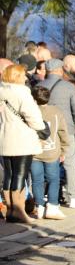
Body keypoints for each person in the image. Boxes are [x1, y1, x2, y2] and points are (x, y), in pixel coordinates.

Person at [0, 64, 47, 223]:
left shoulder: (1, 91)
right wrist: (42, 127)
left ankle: (10, 211)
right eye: (23, 75)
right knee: (20, 174)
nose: (26, 78)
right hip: (21, 138)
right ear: (17, 76)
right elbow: (33, 118)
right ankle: (19, 211)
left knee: (8, 174)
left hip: (4, 137)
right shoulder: (22, 92)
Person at [40, 59, 75, 209]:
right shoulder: (68, 87)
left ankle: (44, 195)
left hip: (43, 130)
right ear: (60, 70)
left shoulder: (37, 86)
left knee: (44, 162)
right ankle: (73, 196)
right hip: (66, 129)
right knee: (69, 163)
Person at [30, 86, 70, 220]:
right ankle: (52, 206)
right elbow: (63, 132)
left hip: (34, 152)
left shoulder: (30, 112)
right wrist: (64, 149)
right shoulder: (56, 111)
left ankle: (39, 207)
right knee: (53, 180)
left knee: (37, 181)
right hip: (52, 152)